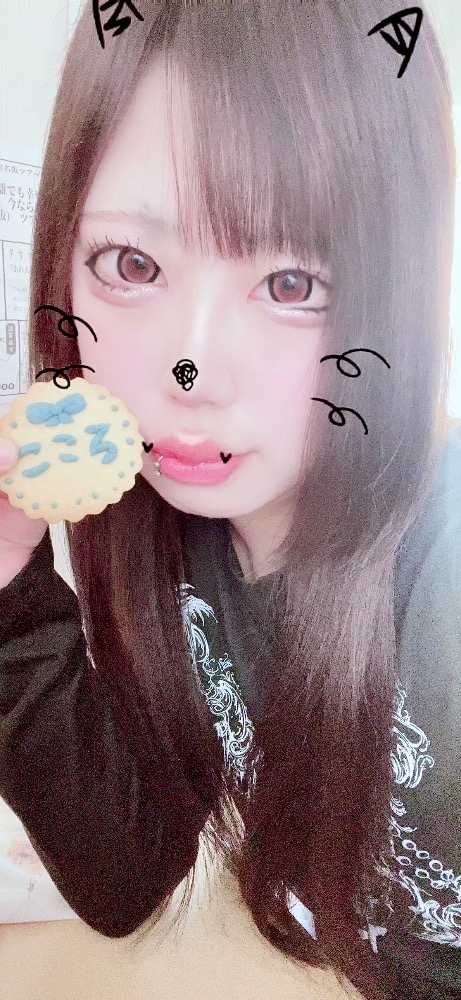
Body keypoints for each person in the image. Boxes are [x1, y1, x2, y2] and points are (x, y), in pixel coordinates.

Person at [0, 2, 460, 998]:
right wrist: (10, 587)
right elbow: (123, 874)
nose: (190, 368)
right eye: (131, 265)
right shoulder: (175, 529)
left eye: (292, 282)